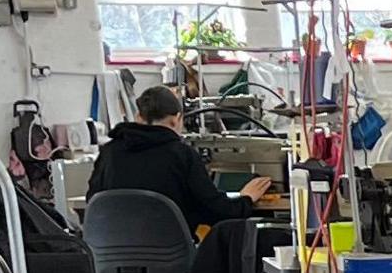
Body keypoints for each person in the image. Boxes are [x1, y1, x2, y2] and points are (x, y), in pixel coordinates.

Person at [89, 84, 279, 235]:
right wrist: (245, 199)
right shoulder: (181, 155)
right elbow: (216, 211)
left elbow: (93, 202)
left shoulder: (109, 152)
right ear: (176, 119)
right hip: (170, 263)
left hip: (109, 267)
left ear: (138, 116)